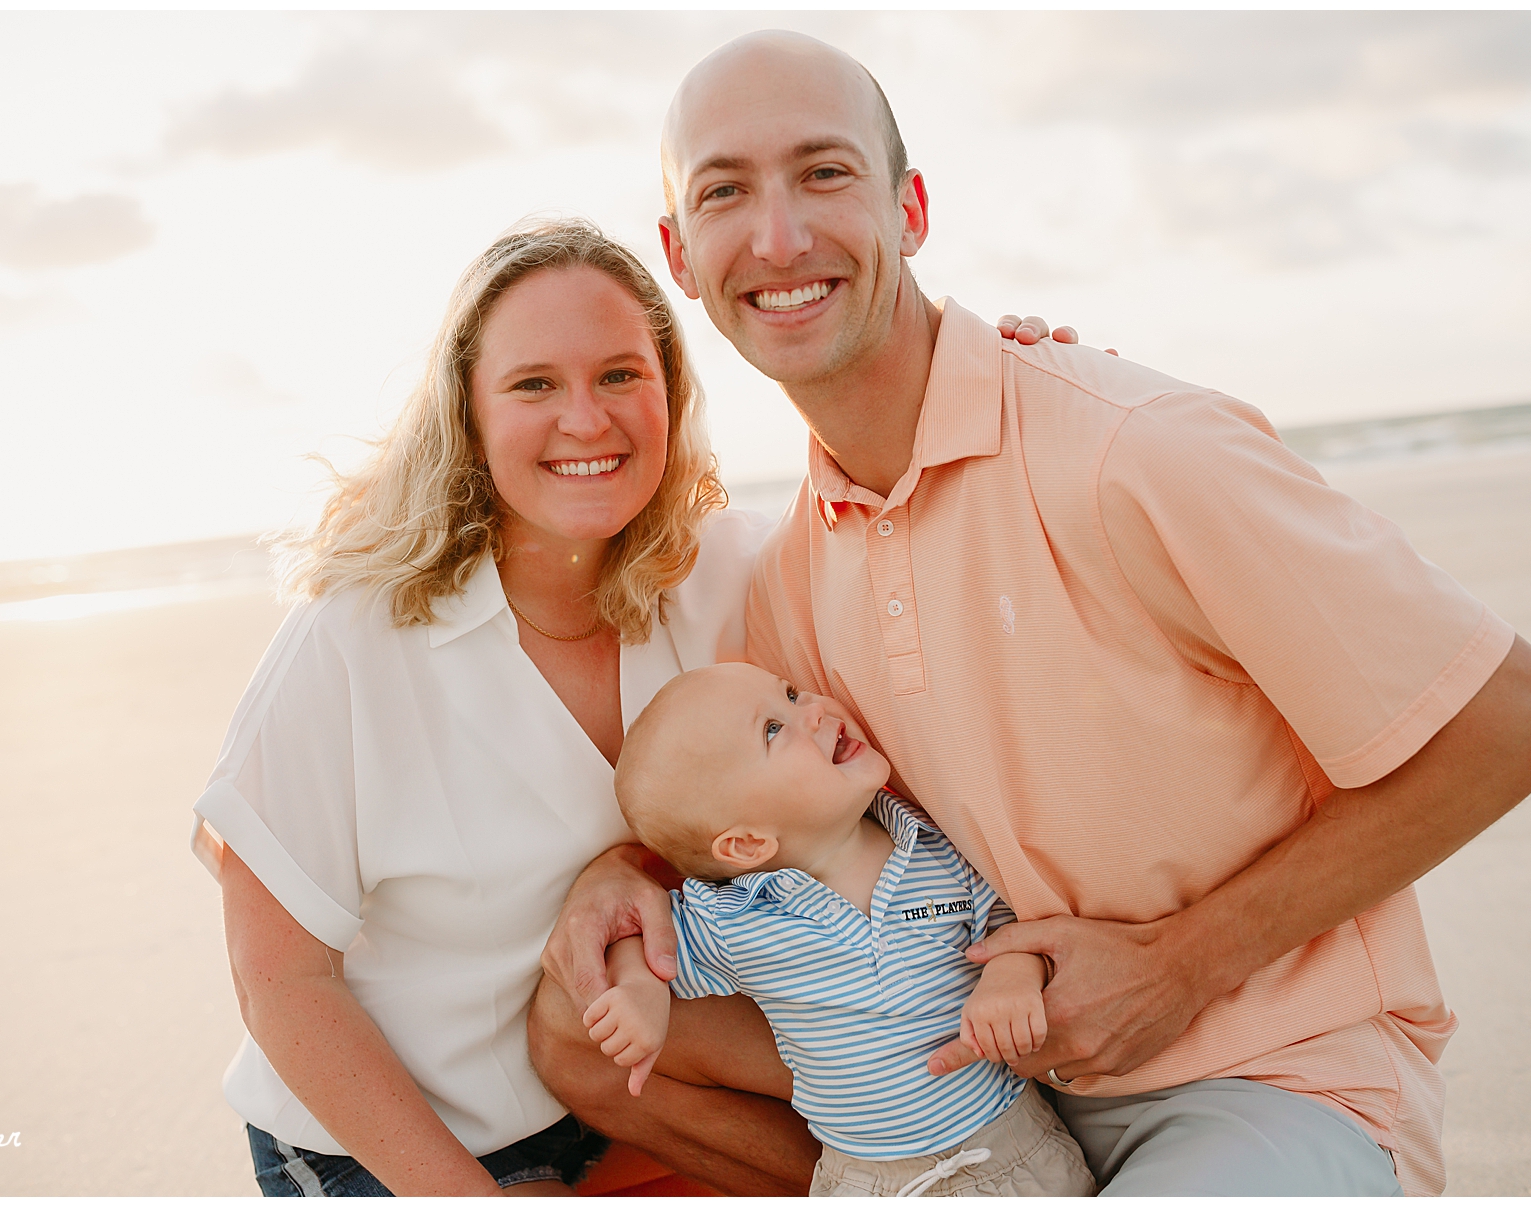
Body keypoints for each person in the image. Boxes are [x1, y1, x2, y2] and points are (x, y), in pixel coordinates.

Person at [530, 31, 1531, 1197]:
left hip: (1268, 1077)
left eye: (825, 173)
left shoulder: (1134, 453)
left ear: (910, 207)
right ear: (682, 252)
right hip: (1000, 1088)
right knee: (569, 1022)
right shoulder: (786, 585)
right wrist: (613, 872)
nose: (778, 237)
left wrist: (1179, 967)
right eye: (726, 192)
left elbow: (1516, 717)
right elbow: (760, 821)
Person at [190, 215, 1075, 1195]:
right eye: (534, 385)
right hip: (391, 1150)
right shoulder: (354, 634)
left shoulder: (739, 572)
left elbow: (932, 535)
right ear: (470, 414)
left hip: (637, 1098)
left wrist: (1031, 395)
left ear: (670, 394)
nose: (586, 420)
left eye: (620, 375)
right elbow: (280, 982)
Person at [587, 662, 1095, 1196]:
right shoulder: (732, 917)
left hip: (1010, 1153)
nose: (814, 708)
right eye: (773, 729)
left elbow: (1012, 926)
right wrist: (641, 991)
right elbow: (642, 940)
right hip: (867, 1182)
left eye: (790, 692)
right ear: (746, 844)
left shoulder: (933, 845)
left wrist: (1010, 979)